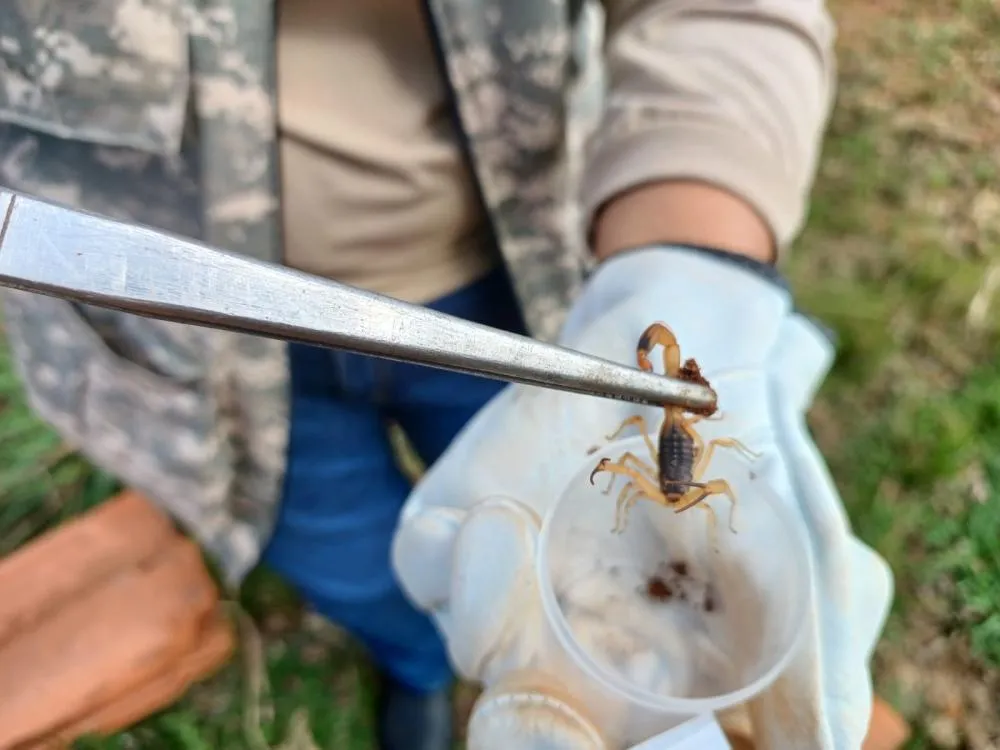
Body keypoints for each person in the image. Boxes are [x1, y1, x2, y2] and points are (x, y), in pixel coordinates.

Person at [0, 1, 894, 749]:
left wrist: (691, 260)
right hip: (184, 340)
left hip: (499, 281)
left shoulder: (682, 454)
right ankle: (416, 663)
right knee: (343, 546)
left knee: (531, 533)